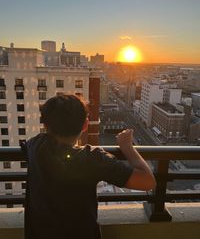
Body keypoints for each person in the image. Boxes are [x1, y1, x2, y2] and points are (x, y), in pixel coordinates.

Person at [24, 94, 156, 239]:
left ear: (46, 125)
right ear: (85, 125)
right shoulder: (92, 159)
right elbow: (148, 181)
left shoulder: (35, 146)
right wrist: (127, 147)